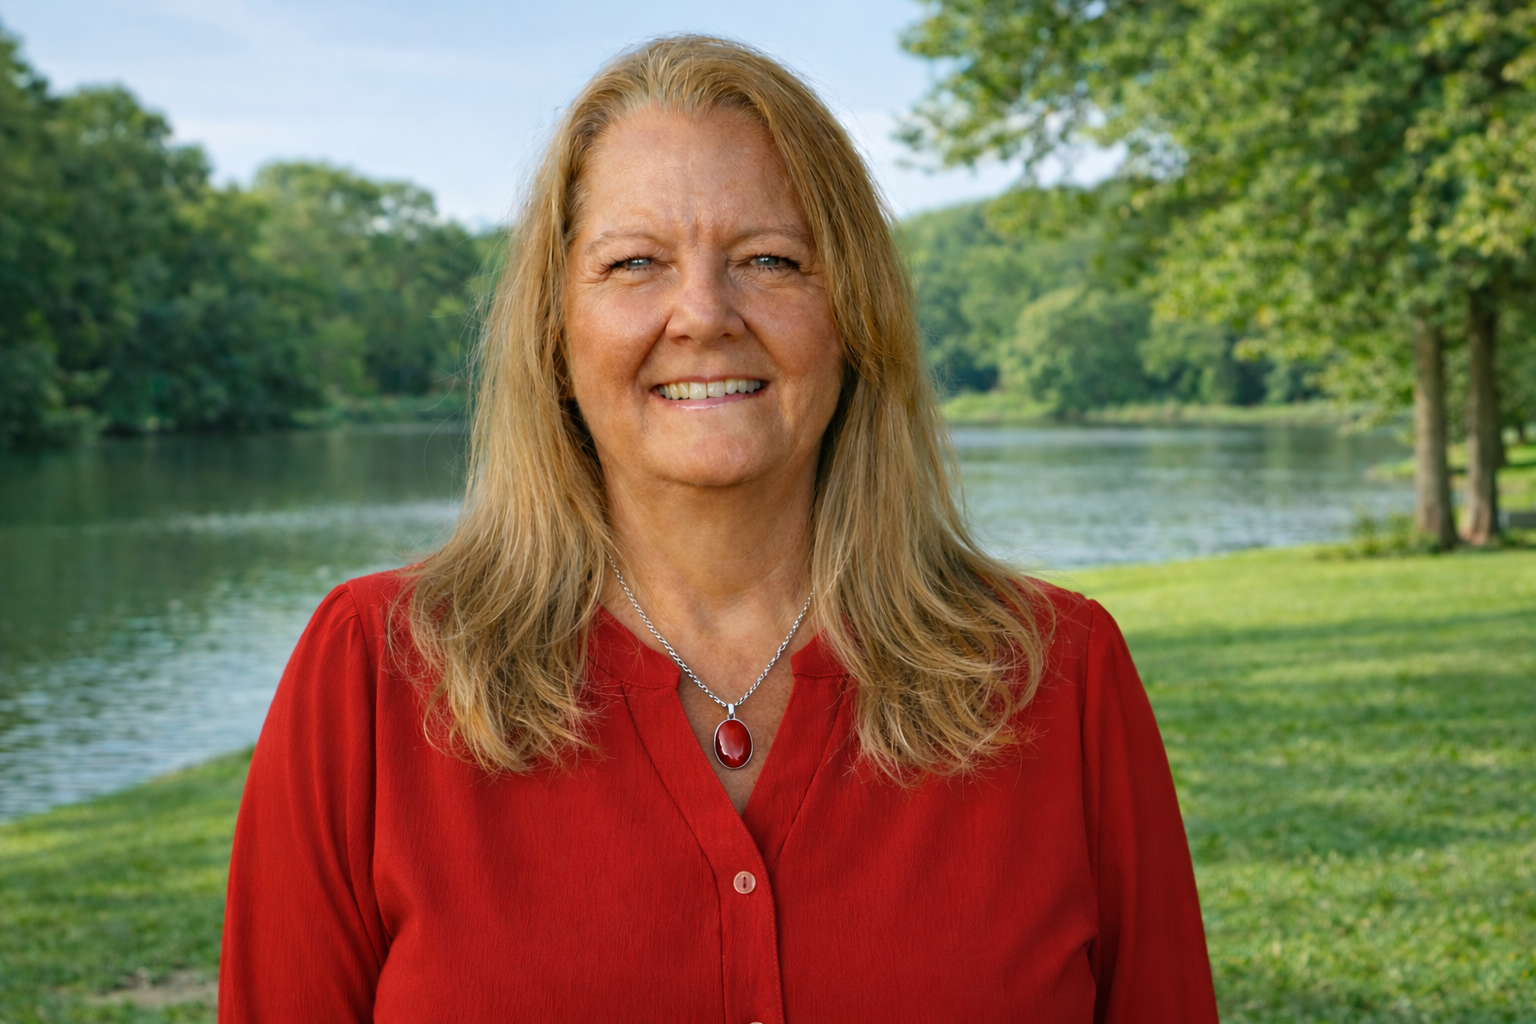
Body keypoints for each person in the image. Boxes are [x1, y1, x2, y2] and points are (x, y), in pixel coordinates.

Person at [219, 35, 1218, 1024]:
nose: (702, 313)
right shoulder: (374, 672)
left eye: (770, 259)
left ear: (853, 313)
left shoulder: (1059, 674)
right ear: (556, 329)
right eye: (635, 262)